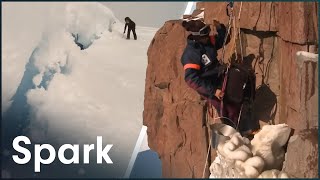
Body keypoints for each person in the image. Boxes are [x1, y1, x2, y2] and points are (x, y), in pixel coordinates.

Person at [180, 19, 241, 128]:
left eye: (208, 35)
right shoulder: (191, 54)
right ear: (197, 38)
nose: (208, 38)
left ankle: (243, 123)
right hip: (208, 85)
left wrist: (220, 28)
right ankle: (234, 131)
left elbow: (223, 40)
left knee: (238, 87)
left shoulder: (207, 41)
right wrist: (213, 91)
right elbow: (191, 80)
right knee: (225, 107)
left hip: (218, 75)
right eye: (205, 36)